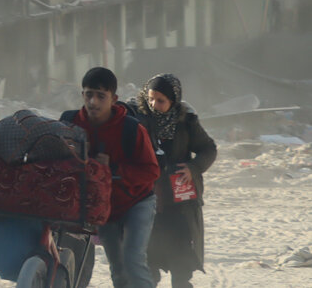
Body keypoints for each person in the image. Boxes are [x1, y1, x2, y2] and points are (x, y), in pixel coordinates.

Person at [60, 67, 158, 288]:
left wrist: (112, 169)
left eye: (100, 96)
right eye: (88, 94)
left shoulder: (131, 129)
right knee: (118, 269)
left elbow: (152, 171)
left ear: (114, 99)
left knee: (133, 262)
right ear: (82, 94)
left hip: (137, 202)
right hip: (103, 209)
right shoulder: (70, 123)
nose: (93, 102)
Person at [127, 74, 216, 288]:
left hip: (180, 206)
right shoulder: (138, 122)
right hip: (148, 201)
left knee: (181, 264)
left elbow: (209, 149)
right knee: (147, 263)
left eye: (160, 101)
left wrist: (193, 168)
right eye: (150, 99)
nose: (154, 105)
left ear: (173, 101)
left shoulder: (186, 122)